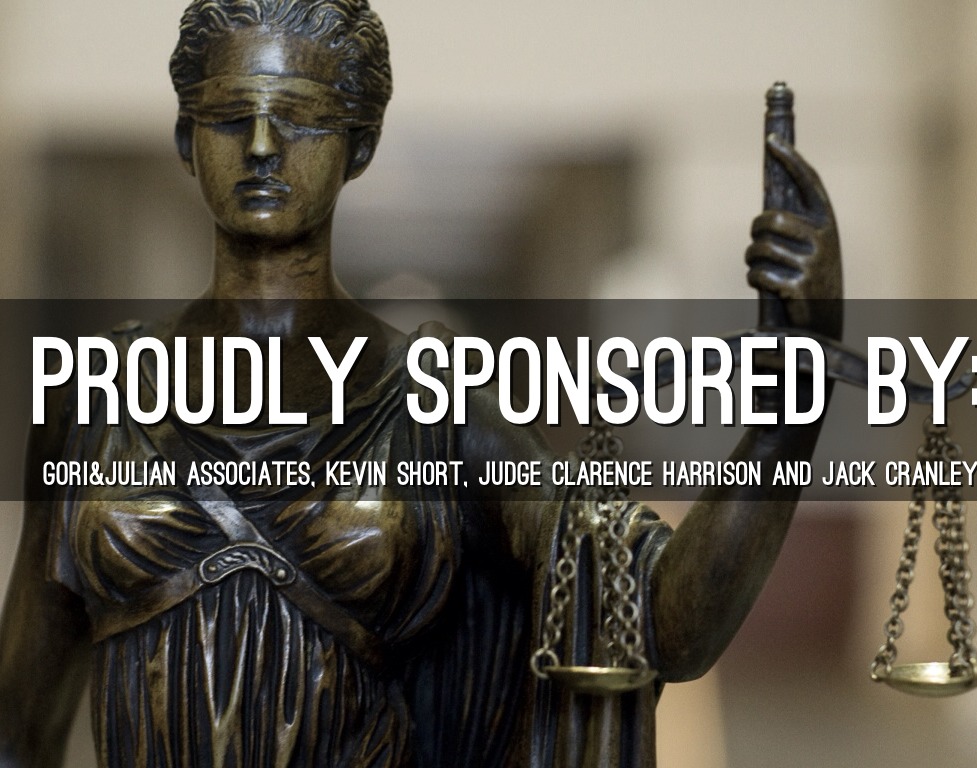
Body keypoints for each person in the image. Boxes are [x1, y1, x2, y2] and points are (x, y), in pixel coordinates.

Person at [0, 1, 842, 766]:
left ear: (359, 146)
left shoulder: (434, 405)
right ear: (187, 140)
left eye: (300, 118)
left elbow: (660, 619)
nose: (260, 146)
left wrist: (790, 403)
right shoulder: (96, 400)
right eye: (228, 116)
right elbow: (18, 726)